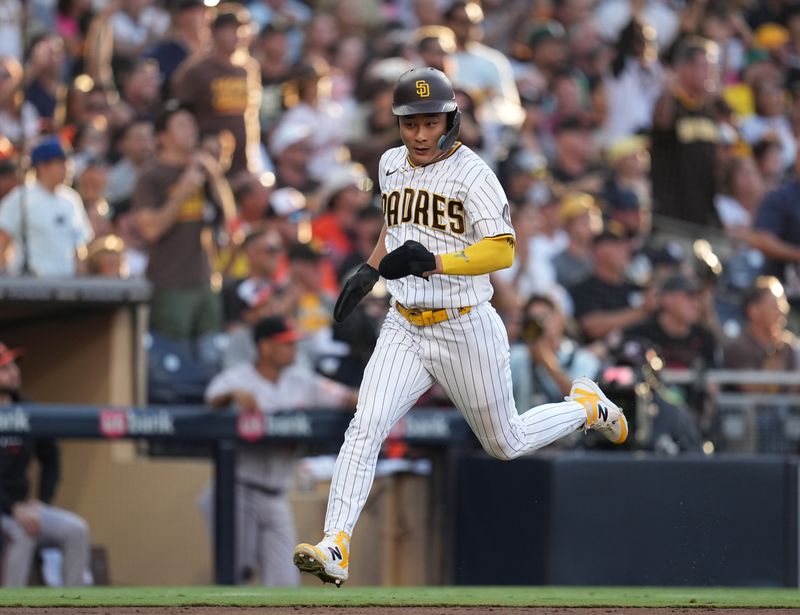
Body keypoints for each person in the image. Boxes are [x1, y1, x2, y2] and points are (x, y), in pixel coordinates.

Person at [292, 67, 628, 587]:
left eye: (430, 123)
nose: (421, 135)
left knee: (506, 442)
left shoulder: (474, 174)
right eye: (411, 124)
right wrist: (371, 268)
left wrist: (434, 263)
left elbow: (502, 248)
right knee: (366, 424)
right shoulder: (389, 164)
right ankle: (336, 544)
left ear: (450, 120)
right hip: (404, 325)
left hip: (465, 324)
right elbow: (395, 228)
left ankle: (586, 406)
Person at [202, 316, 356, 586]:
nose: (294, 349)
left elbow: (347, 397)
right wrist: (232, 396)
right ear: (265, 346)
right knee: (236, 574)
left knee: (286, 583)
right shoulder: (236, 378)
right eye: (286, 344)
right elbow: (211, 399)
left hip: (276, 495)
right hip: (237, 491)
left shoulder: (301, 380)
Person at [132, 102, 234, 342]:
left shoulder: (201, 170)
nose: (190, 130)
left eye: (191, 124)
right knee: (174, 356)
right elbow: (150, 231)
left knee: (210, 355)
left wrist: (215, 176)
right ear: (162, 137)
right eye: (181, 125)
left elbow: (231, 221)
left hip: (206, 280)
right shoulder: (151, 176)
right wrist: (182, 192)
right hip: (170, 284)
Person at [0, 342, 91, 587]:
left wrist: (41, 501)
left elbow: (51, 458)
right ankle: (10, 607)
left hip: (19, 509)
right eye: (4, 367)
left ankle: (76, 605)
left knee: (76, 530)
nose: (14, 372)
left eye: (13, 365)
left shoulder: (29, 411)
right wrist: (13, 508)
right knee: (22, 533)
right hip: (9, 511)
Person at [0, 137, 94, 276]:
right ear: (42, 167)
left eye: (68, 163)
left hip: (67, 286)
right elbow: (2, 241)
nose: (67, 169)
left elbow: (79, 247)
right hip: (29, 284)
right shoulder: (21, 197)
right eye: (60, 164)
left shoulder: (71, 198)